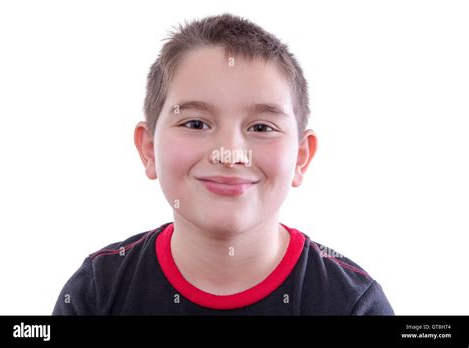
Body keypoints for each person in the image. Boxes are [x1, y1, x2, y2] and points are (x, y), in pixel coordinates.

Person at [52, 13, 394, 315]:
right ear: (149, 149)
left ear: (301, 157)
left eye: (261, 128)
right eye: (196, 124)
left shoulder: (354, 304)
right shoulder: (97, 293)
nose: (229, 153)